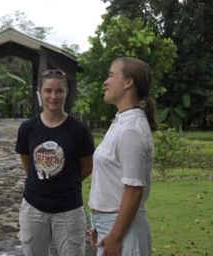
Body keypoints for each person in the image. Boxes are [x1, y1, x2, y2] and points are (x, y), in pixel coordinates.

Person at [15, 69, 95, 256]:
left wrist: (65, 180)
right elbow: (29, 164)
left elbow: (86, 167)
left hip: (69, 210)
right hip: (33, 207)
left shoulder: (79, 131)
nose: (53, 96)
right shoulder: (28, 128)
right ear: (40, 93)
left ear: (66, 93)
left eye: (59, 91)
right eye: (48, 91)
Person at [88, 57, 157, 256]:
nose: (105, 82)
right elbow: (111, 182)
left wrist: (115, 235)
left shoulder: (131, 130)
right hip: (110, 226)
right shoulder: (121, 122)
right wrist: (98, 225)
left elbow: (134, 189)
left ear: (128, 83)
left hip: (123, 230)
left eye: (111, 75)